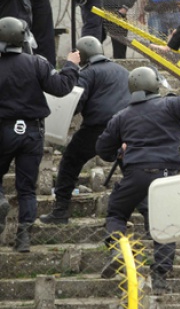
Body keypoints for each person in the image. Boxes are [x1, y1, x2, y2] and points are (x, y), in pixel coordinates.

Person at [95, 67, 180, 292]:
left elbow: (102, 149)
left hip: (136, 175)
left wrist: (120, 150)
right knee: (164, 223)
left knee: (116, 212)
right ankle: (160, 275)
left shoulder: (121, 116)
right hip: (166, 176)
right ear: (154, 84)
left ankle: (117, 249)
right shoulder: (172, 105)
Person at [0, 16, 80, 252]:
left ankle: (1, 202)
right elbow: (61, 88)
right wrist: (71, 65)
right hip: (32, 131)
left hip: (3, 129)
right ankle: (24, 236)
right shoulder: (38, 63)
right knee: (26, 188)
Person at [40, 36, 131, 225]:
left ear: (81, 55)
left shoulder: (87, 73)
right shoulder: (122, 71)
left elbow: (77, 102)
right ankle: (149, 220)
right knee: (132, 171)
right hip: (127, 129)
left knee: (70, 161)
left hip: (99, 129)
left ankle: (60, 211)